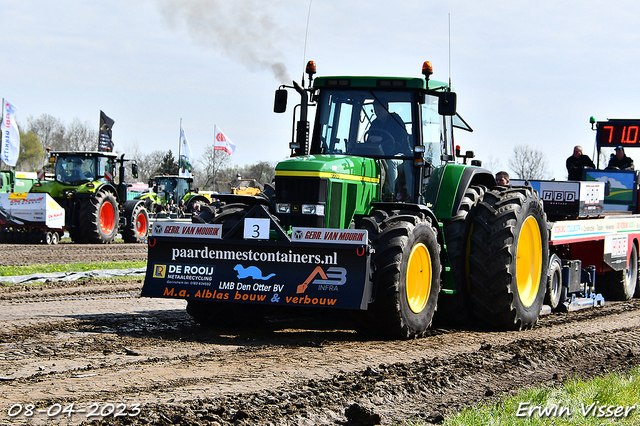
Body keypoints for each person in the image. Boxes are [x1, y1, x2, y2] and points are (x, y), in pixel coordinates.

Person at [367, 100, 412, 201]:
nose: (377, 113)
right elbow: (369, 135)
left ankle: (390, 194)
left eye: (379, 110)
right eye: (375, 110)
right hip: (380, 155)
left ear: (386, 108)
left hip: (401, 154)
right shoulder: (375, 123)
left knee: (390, 162)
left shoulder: (396, 121)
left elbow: (399, 140)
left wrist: (381, 139)